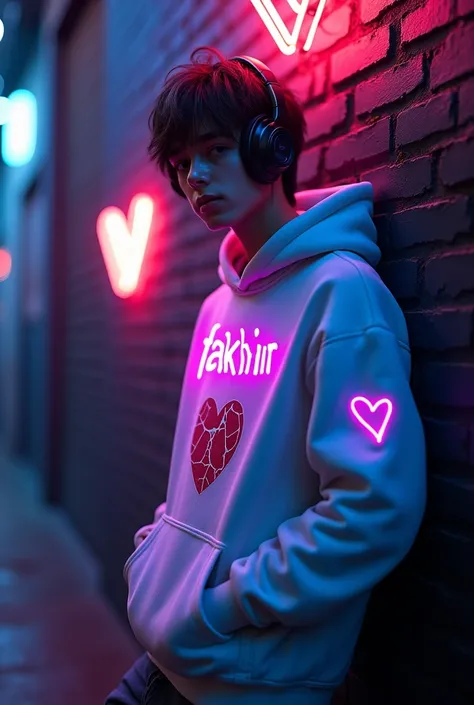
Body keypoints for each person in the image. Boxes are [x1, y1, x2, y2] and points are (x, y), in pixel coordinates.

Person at [106, 46, 427, 705]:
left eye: (216, 149)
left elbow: (374, 506)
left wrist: (225, 604)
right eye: (181, 163)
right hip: (174, 648)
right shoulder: (216, 307)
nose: (195, 176)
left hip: (252, 674)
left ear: (270, 148)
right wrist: (158, 559)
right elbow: (198, 477)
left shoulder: (343, 298)